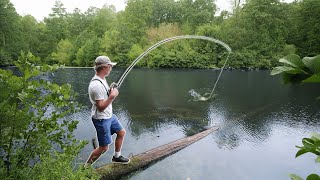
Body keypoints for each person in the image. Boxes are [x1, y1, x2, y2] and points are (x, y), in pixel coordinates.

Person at [85, 55, 130, 167]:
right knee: (104, 147)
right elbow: (100, 107)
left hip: (109, 115)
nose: (111, 68)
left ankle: (116, 156)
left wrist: (109, 91)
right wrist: (112, 97)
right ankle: (85, 168)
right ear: (104, 67)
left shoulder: (102, 80)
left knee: (121, 132)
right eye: (110, 66)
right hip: (101, 119)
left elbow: (102, 98)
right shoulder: (96, 85)